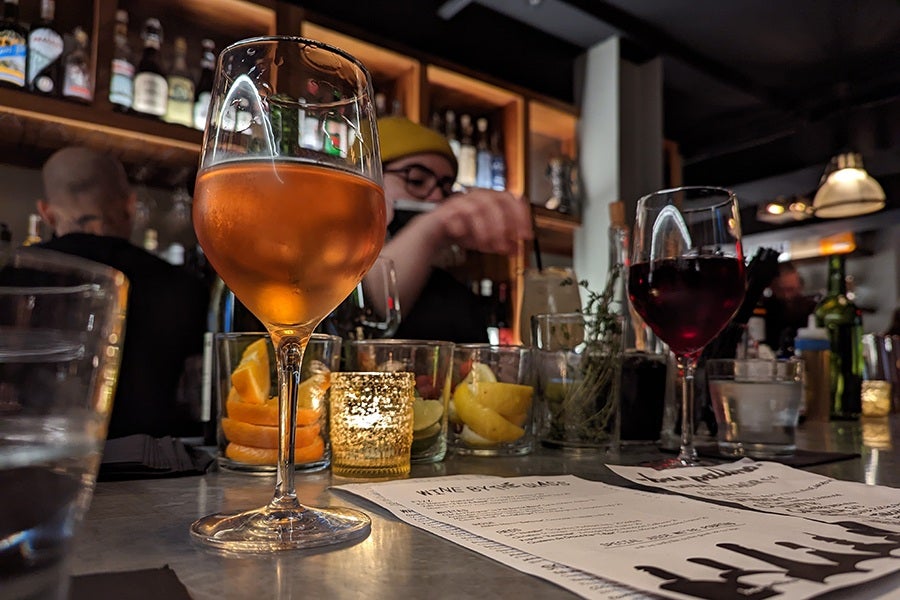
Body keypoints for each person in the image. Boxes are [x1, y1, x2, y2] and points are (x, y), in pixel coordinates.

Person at [35, 146, 210, 439]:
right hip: (158, 468)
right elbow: (197, 396)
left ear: (47, 214)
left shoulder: (12, 275)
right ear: (130, 205)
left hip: (43, 464)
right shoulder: (186, 286)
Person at [376, 116, 532, 343]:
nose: (438, 197)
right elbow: (372, 309)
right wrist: (434, 224)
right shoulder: (329, 270)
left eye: (446, 187)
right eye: (417, 181)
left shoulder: (456, 295)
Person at [761, 261, 817, 354]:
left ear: (799, 285)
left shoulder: (810, 309)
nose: (787, 296)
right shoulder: (765, 309)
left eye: (790, 290)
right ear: (772, 287)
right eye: (781, 290)